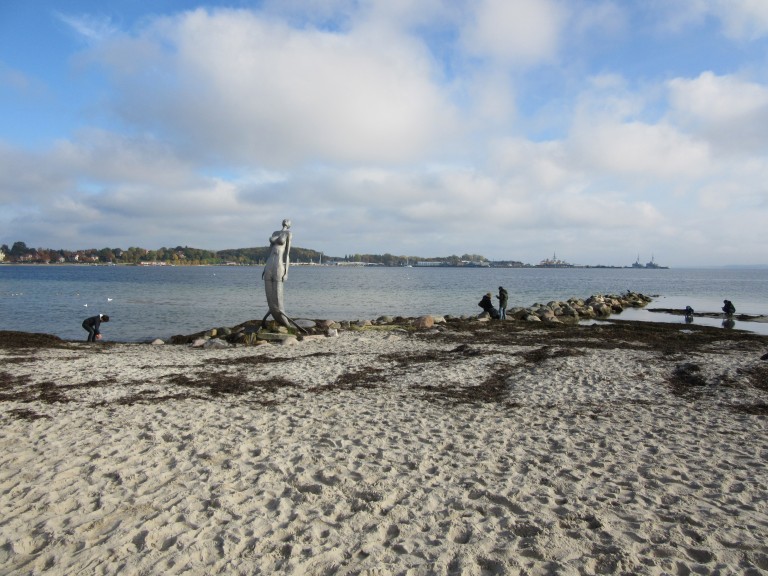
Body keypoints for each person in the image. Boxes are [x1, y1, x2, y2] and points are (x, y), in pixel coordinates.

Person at [262, 219, 293, 328]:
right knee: (269, 291)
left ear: (289, 225)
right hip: (270, 264)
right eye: (286, 220)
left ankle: (283, 318)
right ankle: (273, 310)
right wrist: (264, 268)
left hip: (279, 264)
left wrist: (286, 272)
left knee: (278, 294)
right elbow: (269, 251)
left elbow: (287, 254)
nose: (286, 221)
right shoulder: (275, 233)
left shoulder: (288, 234)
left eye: (288, 221)